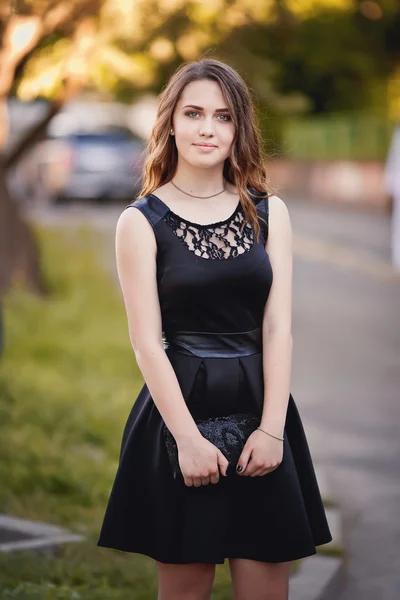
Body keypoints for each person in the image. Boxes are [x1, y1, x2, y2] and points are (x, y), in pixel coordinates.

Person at [97, 58, 332, 600]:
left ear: (238, 128)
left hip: (261, 412)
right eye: (194, 113)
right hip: (180, 414)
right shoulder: (140, 221)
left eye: (223, 116)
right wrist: (187, 439)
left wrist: (272, 429)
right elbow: (145, 342)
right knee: (185, 587)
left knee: (267, 585)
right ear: (171, 123)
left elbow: (278, 328)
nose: (208, 128)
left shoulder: (270, 214)